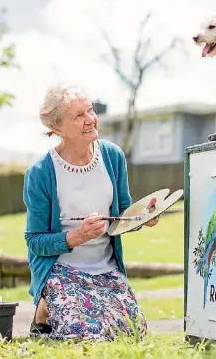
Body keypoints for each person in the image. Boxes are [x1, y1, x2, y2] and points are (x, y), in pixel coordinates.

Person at [23, 86, 160, 341]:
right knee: (87, 334)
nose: (90, 119)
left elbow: (121, 216)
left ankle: (50, 314)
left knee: (132, 333)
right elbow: (34, 241)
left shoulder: (112, 156)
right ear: (58, 128)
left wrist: (143, 217)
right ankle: (44, 309)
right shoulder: (41, 172)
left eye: (90, 110)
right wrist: (76, 237)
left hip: (106, 268)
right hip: (63, 269)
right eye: (78, 116)